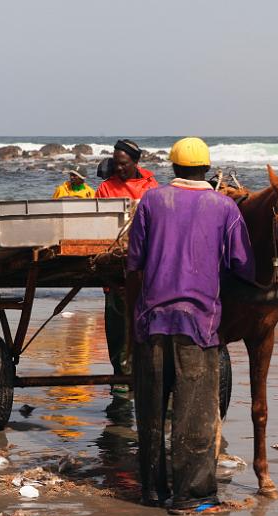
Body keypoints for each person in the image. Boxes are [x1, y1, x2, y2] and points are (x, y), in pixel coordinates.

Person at [127, 137, 254, 514]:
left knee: (150, 411)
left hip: (151, 321)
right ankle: (191, 496)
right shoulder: (224, 206)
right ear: (207, 169)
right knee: (193, 414)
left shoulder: (151, 200)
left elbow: (134, 261)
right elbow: (242, 265)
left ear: (174, 167)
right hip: (198, 324)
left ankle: (152, 489)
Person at [95, 140, 159, 390]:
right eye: (116, 163)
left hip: (147, 265)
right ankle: (120, 384)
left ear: (135, 163)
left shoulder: (151, 187)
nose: (119, 168)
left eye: (124, 164)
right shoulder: (105, 188)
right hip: (115, 264)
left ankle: (150, 378)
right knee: (118, 329)